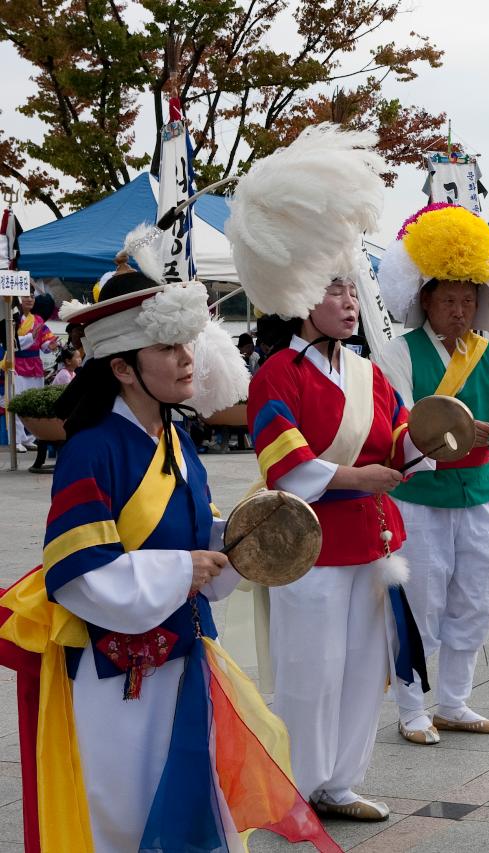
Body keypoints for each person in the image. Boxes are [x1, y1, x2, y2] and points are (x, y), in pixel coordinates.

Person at [0, 243, 341, 851]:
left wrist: (239, 536)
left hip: (180, 652)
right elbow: (77, 572)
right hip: (116, 669)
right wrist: (183, 568)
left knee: (190, 798)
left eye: (187, 345)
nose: (187, 360)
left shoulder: (175, 436)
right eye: (168, 348)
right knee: (124, 812)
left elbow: (196, 532)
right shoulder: (92, 448)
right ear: (123, 367)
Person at [231, 125, 426, 821]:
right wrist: (363, 478)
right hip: (305, 548)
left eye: (352, 287)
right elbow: (285, 464)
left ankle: (340, 780)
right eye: (335, 288)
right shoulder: (275, 375)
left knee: (362, 666)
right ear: (299, 293)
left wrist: (435, 437)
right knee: (309, 671)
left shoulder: (372, 374)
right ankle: (291, 789)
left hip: (370, 541)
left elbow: (400, 439)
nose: (350, 300)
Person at [376, 203, 489, 742]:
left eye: (468, 300)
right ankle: (412, 709)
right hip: (420, 496)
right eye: (448, 300)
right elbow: (397, 423)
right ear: (424, 301)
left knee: (476, 598)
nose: (459, 311)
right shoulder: (398, 352)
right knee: (420, 604)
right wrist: (452, 435)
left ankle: (455, 702)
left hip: (481, 492)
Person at [9, 288, 59, 451]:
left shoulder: (38, 320)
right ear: (19, 299)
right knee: (17, 402)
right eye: (25, 296)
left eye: (32, 296)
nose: (29, 299)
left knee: (33, 402)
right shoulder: (12, 319)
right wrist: (32, 337)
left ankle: (29, 437)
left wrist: (49, 346)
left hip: (35, 364)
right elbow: (12, 343)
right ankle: (16, 439)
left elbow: (45, 343)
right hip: (18, 363)